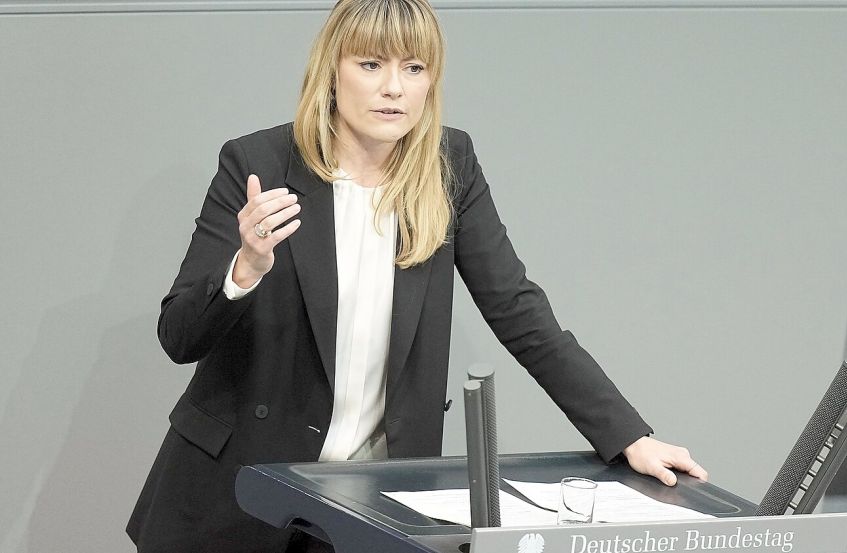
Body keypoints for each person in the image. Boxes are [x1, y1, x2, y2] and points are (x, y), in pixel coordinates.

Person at [127, 1, 708, 551]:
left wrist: (628, 435)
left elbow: (520, 311)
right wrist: (245, 266)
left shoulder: (449, 167)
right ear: (332, 69)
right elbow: (178, 336)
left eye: (413, 67)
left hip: (370, 507)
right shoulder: (256, 162)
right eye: (371, 64)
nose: (393, 87)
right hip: (236, 497)